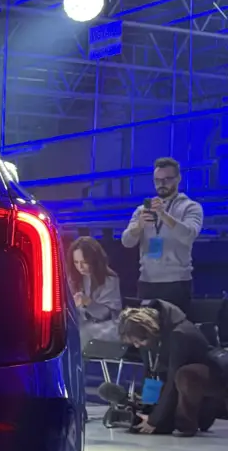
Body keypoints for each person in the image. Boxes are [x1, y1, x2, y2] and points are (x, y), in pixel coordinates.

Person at [118, 301, 225, 436]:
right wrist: (148, 411)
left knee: (184, 375)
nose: (137, 346)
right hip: (178, 386)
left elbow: (172, 381)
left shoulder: (180, 334)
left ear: (149, 330)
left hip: (207, 382)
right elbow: (150, 373)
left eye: (138, 341)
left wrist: (154, 420)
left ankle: (186, 424)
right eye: (134, 343)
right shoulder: (150, 339)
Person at [121, 157, 203, 315]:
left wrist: (163, 215)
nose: (162, 184)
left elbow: (188, 235)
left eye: (167, 179)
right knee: (146, 327)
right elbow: (127, 242)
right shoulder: (142, 210)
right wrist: (139, 226)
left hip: (177, 282)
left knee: (176, 328)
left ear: (178, 178)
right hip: (147, 281)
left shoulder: (191, 207)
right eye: (157, 180)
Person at [70, 236, 122, 346]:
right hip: (81, 324)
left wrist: (88, 302)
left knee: (82, 333)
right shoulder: (74, 278)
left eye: (84, 262)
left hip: (105, 327)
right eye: (76, 262)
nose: (80, 267)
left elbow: (105, 315)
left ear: (94, 260)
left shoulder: (109, 280)